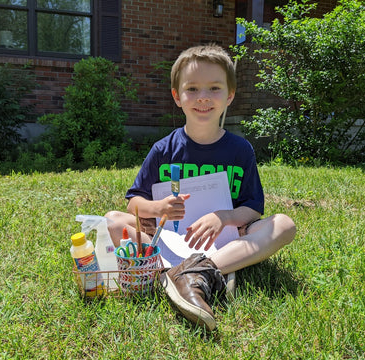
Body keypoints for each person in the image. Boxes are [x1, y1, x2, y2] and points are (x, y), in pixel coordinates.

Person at [105, 44, 296, 331]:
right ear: (177, 97)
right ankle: (211, 275)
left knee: (284, 224)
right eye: (192, 89)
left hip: (225, 242)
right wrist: (157, 208)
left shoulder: (240, 150)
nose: (203, 98)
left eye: (214, 88)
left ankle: (190, 274)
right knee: (112, 219)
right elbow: (134, 202)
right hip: (170, 242)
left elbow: (253, 207)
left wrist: (225, 217)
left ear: (229, 96)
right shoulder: (163, 149)